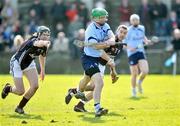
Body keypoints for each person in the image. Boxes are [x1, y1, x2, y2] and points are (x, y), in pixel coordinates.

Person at [65, 7, 116, 117]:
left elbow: (112, 37)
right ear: (96, 18)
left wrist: (109, 41)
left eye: (104, 17)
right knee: (99, 83)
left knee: (85, 83)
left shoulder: (105, 25)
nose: (105, 19)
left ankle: (73, 91)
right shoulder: (90, 30)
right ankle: (98, 108)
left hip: (97, 58)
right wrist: (107, 43)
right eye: (102, 17)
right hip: (89, 58)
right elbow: (97, 47)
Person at [71, 25, 128, 112]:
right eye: (121, 32)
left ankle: (79, 103)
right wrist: (109, 60)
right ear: (117, 31)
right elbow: (100, 52)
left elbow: (111, 59)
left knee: (95, 87)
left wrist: (113, 72)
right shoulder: (110, 40)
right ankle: (76, 92)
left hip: (102, 66)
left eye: (125, 33)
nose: (122, 34)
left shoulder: (120, 45)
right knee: (96, 86)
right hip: (95, 62)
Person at [1, 26, 51, 114]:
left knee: (35, 86)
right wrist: (45, 42)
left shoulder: (44, 45)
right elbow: (38, 44)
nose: (46, 37)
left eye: (48, 35)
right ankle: (8, 88)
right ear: (39, 34)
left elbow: (42, 56)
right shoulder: (34, 41)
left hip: (28, 63)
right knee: (20, 91)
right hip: (17, 63)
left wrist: (43, 70)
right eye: (44, 34)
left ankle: (20, 107)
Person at [124, 14, 151, 97]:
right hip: (131, 53)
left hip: (140, 51)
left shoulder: (142, 28)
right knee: (134, 73)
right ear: (131, 21)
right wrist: (130, 48)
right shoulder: (127, 30)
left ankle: (139, 82)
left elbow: (143, 37)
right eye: (133, 20)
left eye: (136, 20)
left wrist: (146, 41)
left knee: (145, 71)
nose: (135, 21)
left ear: (138, 20)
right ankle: (133, 90)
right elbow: (124, 43)